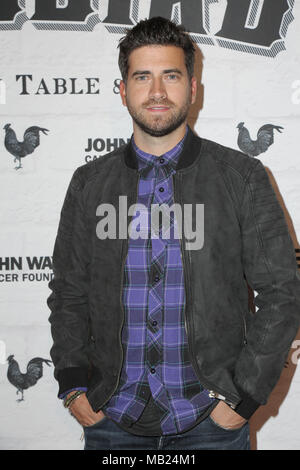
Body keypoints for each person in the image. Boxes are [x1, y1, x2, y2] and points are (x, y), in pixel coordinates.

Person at [47, 17, 300, 451]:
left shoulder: (241, 178)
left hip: (212, 422)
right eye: (142, 77)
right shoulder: (89, 183)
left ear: (193, 88)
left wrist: (242, 399)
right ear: (123, 90)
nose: (158, 92)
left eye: (171, 76)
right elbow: (69, 290)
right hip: (111, 420)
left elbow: (281, 290)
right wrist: (73, 384)